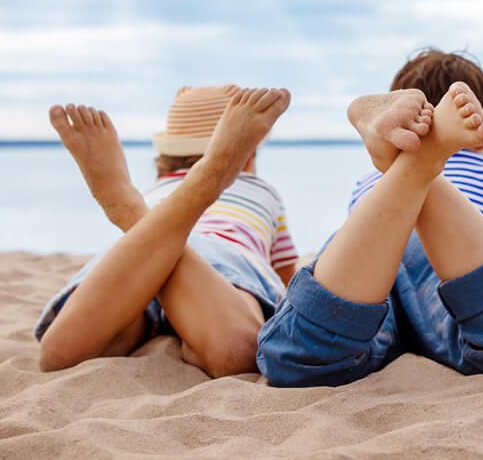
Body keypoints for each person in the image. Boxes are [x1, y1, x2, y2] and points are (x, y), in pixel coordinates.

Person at [256, 82, 483, 387]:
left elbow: (355, 248)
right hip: (460, 250)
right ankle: (422, 162)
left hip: (380, 244)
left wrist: (399, 168)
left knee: (303, 356)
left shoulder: (370, 181)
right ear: (481, 128)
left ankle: (414, 166)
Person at [35, 86, 295, 378]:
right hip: (225, 258)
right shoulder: (261, 191)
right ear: (248, 155)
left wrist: (137, 213)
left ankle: (129, 211)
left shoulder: (152, 192)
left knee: (60, 353)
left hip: (139, 259)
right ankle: (207, 180)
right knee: (239, 351)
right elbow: (288, 281)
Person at [349, 49, 483, 256]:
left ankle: (414, 161)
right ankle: (430, 149)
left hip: (371, 255)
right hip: (469, 254)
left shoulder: (366, 183)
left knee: (349, 262)